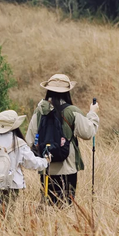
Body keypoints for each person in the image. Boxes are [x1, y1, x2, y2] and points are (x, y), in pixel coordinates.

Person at [25, 74, 99, 205]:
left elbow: (29, 140)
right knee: (65, 206)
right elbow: (88, 133)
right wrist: (93, 113)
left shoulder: (39, 111)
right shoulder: (72, 111)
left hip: (45, 168)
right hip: (67, 169)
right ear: (67, 91)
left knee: (48, 206)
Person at [0, 109, 50, 211]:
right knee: (8, 214)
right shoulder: (19, 143)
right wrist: (45, 161)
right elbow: (31, 163)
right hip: (11, 183)